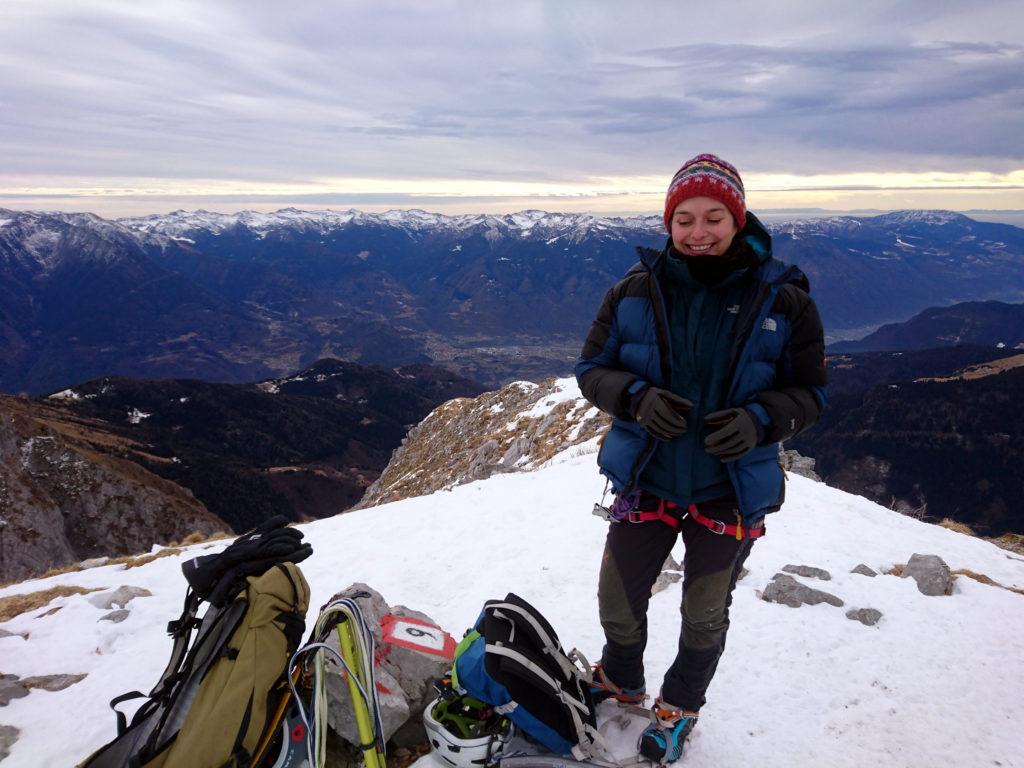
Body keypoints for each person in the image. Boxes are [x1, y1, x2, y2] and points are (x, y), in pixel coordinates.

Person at [574, 154, 827, 763]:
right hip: (648, 478)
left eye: (714, 216)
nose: (698, 231)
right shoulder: (634, 292)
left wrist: (762, 419)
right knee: (617, 598)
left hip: (729, 489)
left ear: (738, 219)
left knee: (704, 612)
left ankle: (680, 704)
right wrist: (632, 397)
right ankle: (620, 680)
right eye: (684, 218)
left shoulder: (783, 300)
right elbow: (590, 370)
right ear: (668, 223)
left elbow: (810, 392)